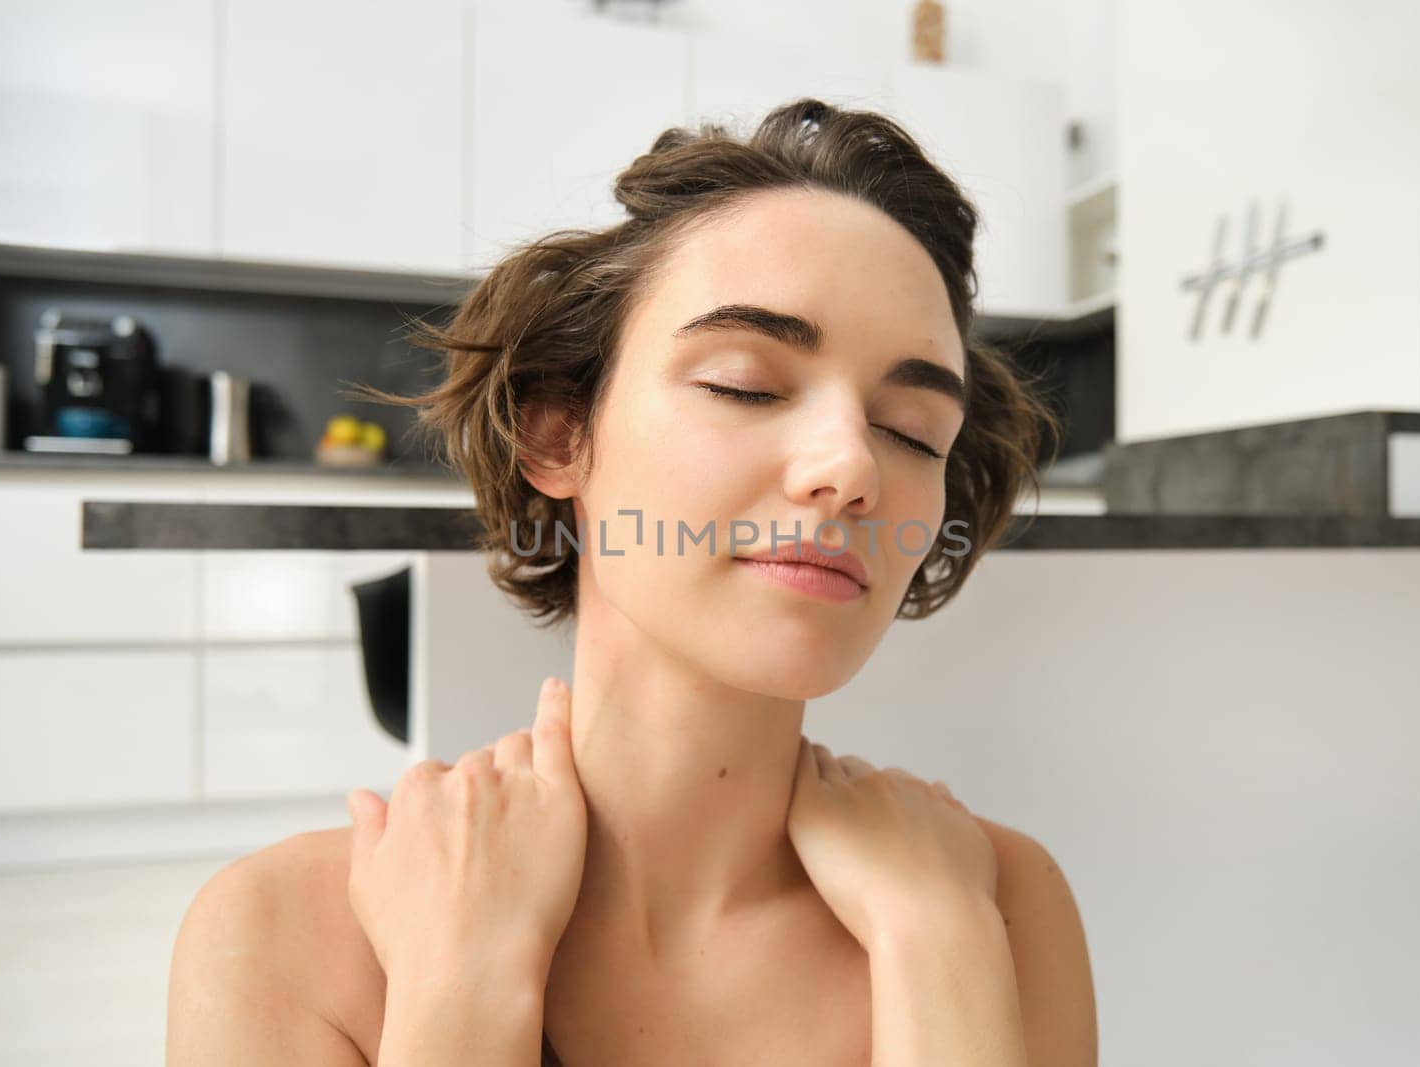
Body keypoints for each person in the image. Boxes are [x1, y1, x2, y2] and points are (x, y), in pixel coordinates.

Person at [166, 97, 1097, 1066]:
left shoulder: (995, 899)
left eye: (911, 431)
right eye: (744, 382)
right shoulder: (284, 935)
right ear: (559, 435)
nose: (852, 467)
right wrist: (464, 986)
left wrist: (935, 946)